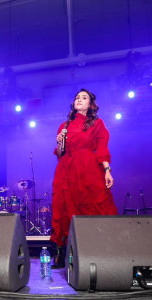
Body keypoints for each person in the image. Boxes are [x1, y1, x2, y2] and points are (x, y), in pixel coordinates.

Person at [50, 88, 117, 268]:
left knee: (91, 206)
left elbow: (102, 149)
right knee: (63, 208)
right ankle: (60, 252)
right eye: (77, 97)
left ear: (90, 104)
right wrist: (59, 142)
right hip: (66, 170)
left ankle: (96, 249)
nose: (79, 99)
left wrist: (107, 170)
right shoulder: (64, 126)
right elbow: (60, 153)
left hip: (88, 169)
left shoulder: (97, 123)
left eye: (84, 97)